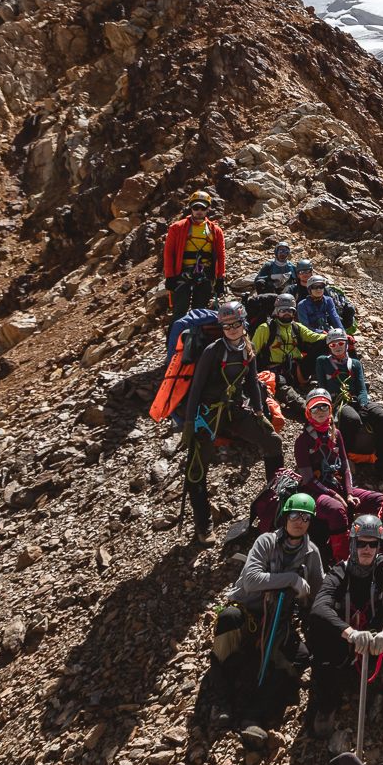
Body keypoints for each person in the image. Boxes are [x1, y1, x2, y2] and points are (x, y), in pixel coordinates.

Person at [211, 492, 326, 742]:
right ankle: (221, 702)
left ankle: (254, 716)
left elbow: (319, 594)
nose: (299, 521)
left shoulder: (311, 553)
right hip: (245, 615)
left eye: (306, 517)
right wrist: (292, 579)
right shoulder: (265, 542)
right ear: (285, 516)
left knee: (300, 657)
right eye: (294, 514)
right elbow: (251, 581)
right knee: (227, 619)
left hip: (276, 622)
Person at [180, 301, 284, 541]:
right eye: (226, 326)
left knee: (273, 443)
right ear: (221, 327)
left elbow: (252, 384)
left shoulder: (248, 349)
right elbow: (195, 388)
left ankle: (274, 506)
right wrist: (188, 423)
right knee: (196, 468)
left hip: (235, 410)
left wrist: (259, 413)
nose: (232, 329)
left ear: (244, 323)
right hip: (208, 413)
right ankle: (203, 524)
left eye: (236, 324)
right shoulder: (212, 351)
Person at [308, 514, 383, 733]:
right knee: (317, 629)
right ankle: (327, 701)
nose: (367, 549)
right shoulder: (339, 572)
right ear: (353, 544)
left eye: (373, 544)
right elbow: (319, 607)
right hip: (345, 639)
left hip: (375, 636)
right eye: (361, 543)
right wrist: (350, 633)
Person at [294, 390, 382, 560]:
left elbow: (345, 467)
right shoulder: (302, 440)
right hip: (314, 492)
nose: (320, 411)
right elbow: (308, 479)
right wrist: (334, 495)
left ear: (330, 409)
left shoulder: (336, 434)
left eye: (324, 406)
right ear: (308, 412)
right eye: (315, 408)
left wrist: (348, 493)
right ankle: (341, 560)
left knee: (379, 500)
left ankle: (376, 549)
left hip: (338, 487)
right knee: (337, 510)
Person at [311, 328, 383, 481]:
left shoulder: (355, 364)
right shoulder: (322, 361)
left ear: (346, 344)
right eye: (333, 345)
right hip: (339, 401)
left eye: (341, 343)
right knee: (353, 420)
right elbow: (322, 387)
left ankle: (382, 464)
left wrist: (363, 405)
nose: (337, 347)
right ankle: (343, 459)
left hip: (358, 399)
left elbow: (362, 388)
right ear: (329, 347)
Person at [251, 293, 326, 412]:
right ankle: (307, 410)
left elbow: (314, 337)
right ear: (276, 311)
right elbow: (252, 352)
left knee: (325, 342)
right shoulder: (265, 329)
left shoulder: (297, 327)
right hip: (275, 372)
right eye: (283, 310)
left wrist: (337, 337)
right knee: (284, 388)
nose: (287, 313)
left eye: (290, 310)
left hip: (297, 369)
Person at [163, 192, 226, 321]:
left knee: (199, 311)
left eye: (203, 208)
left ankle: (196, 339)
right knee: (180, 310)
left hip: (205, 273)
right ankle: (175, 340)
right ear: (190, 208)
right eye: (195, 207)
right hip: (182, 272)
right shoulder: (176, 228)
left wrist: (220, 278)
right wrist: (169, 276)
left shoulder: (216, 230)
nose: (199, 211)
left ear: (208, 209)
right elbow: (169, 252)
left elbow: (221, 255)